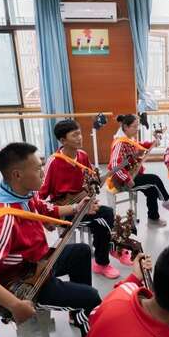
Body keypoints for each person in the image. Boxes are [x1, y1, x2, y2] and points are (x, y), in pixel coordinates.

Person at [0, 142, 102, 337]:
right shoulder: (4, 218)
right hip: (24, 282)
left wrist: (76, 208)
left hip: (38, 262)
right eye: (38, 169)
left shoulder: (21, 193)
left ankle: (77, 315)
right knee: (91, 297)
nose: (43, 173)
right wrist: (15, 304)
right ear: (17, 175)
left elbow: (43, 209)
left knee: (81, 251)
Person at [39, 119, 131, 280]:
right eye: (75, 135)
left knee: (107, 214)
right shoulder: (53, 162)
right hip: (66, 212)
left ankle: (107, 254)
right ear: (63, 140)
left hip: (83, 205)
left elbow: (91, 179)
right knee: (103, 220)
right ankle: (107, 256)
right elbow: (40, 195)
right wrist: (46, 219)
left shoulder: (82, 156)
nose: (80, 137)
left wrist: (95, 186)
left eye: (80, 133)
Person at [109, 113, 169, 227]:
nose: (137, 129)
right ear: (126, 127)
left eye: (138, 126)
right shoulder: (119, 143)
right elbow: (114, 166)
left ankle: (153, 218)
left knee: (152, 190)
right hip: (122, 181)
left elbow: (139, 146)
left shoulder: (129, 139)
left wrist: (152, 143)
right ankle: (166, 201)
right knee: (154, 179)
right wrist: (127, 179)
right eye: (135, 126)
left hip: (133, 175)